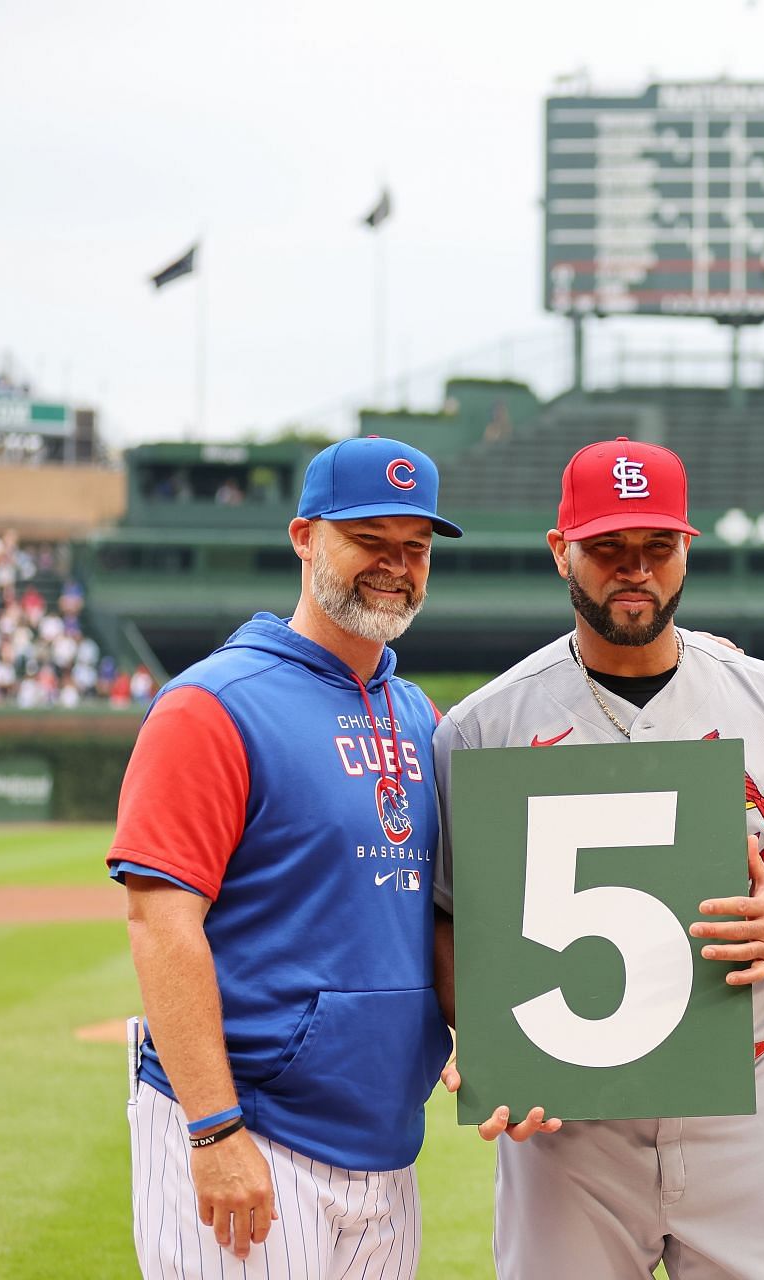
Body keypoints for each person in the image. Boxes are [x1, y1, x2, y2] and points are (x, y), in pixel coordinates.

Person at [431, 437, 764, 1279]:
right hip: (565, 1126)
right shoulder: (481, 727)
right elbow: (447, 918)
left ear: (688, 550)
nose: (633, 569)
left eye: (657, 547)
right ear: (559, 550)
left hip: (742, 1101)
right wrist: (492, 1043)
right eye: (607, 548)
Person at [108, 437, 464, 1275]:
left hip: (383, 1145)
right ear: (304, 537)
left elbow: (451, 909)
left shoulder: (419, 716)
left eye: (414, 547)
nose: (396, 566)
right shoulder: (213, 705)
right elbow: (160, 923)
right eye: (368, 541)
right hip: (252, 1132)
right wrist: (214, 1130)